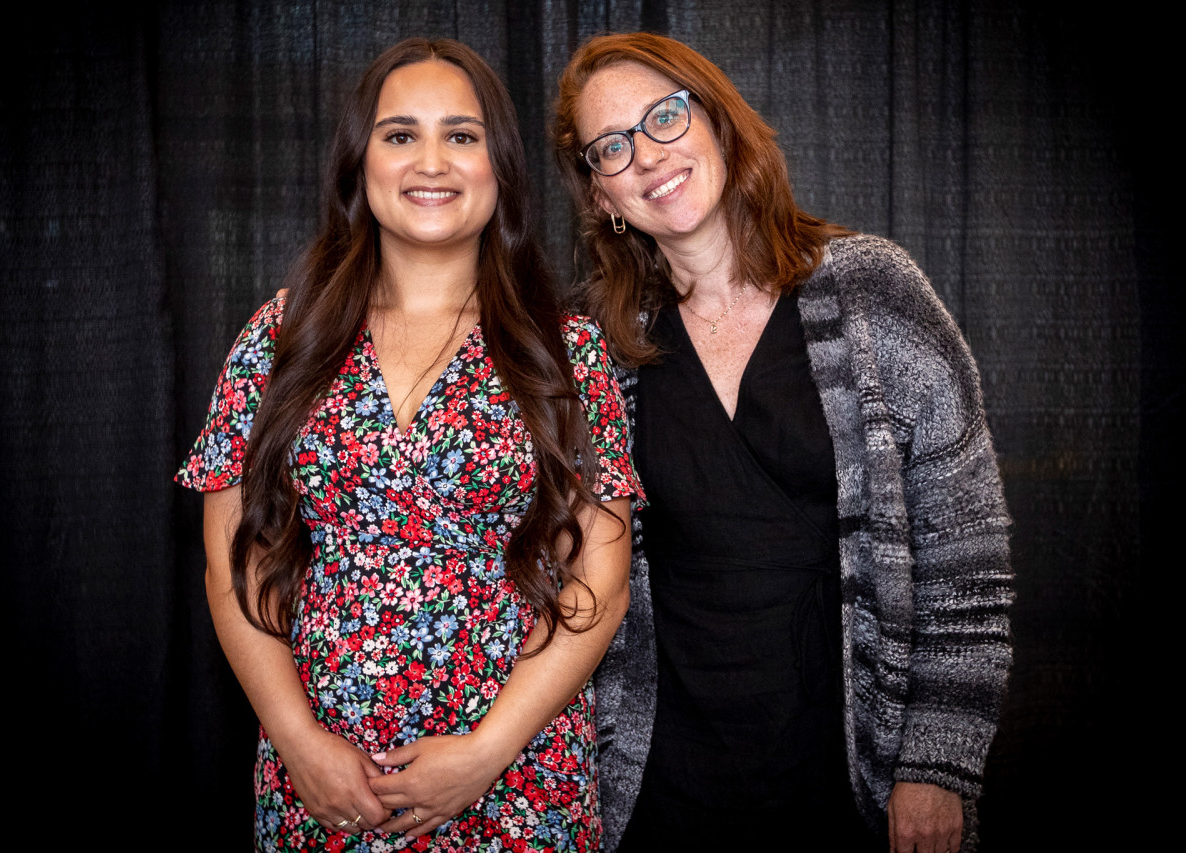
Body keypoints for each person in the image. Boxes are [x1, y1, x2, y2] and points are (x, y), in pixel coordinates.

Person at [552, 32, 1013, 852]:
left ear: (720, 123)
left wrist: (937, 765)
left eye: (665, 116)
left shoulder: (874, 291)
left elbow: (967, 553)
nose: (648, 154)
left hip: (850, 772)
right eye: (612, 147)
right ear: (602, 196)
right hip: (663, 783)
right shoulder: (595, 342)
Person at [177, 38, 640, 852]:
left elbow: (600, 577)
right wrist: (299, 744)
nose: (432, 161)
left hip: (519, 777)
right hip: (324, 784)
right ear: (360, 165)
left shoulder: (565, 348)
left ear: (500, 168)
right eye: (400, 135)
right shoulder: (281, 336)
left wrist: (486, 754)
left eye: (462, 135)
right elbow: (232, 566)